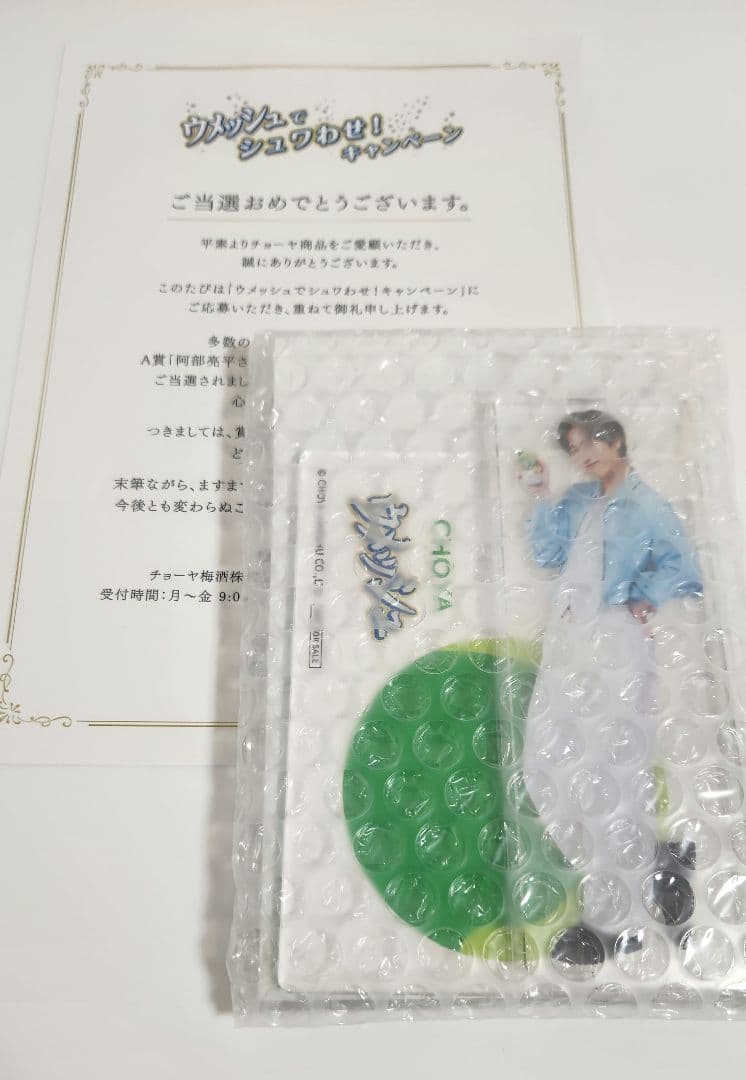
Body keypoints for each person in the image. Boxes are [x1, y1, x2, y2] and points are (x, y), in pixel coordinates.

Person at [517, 409, 703, 974]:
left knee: (613, 770)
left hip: (617, 639)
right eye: (574, 449)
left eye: (591, 443)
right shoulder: (578, 500)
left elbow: (685, 566)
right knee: (542, 763)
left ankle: (617, 918)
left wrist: (643, 594)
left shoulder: (648, 505)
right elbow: (548, 555)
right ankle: (658, 872)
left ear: (616, 439)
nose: (584, 455)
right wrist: (540, 495)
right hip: (569, 638)